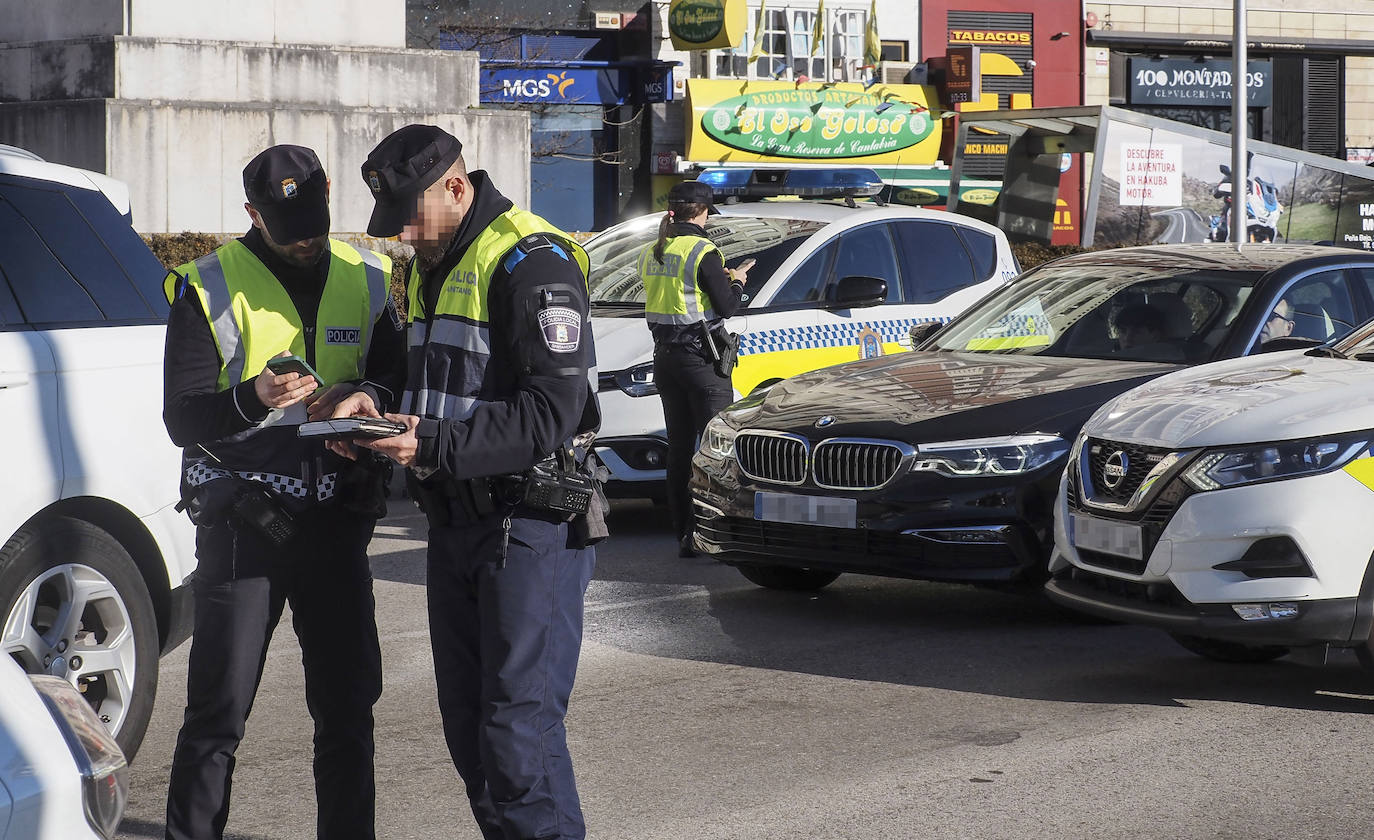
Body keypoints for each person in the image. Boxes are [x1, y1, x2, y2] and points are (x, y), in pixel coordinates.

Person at [329, 124, 604, 840]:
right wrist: (373, 396)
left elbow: (552, 410)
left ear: (456, 186)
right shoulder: (436, 258)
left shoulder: (531, 261)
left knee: (519, 740)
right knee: (472, 736)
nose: (403, 239)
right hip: (454, 521)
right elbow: (433, 374)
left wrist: (434, 442)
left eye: (410, 220)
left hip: (528, 526)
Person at [161, 144, 404, 840]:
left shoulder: (371, 274)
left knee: (348, 711)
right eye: (282, 222)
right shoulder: (208, 285)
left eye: (313, 217)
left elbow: (394, 376)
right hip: (245, 522)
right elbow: (183, 419)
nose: (302, 236)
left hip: (337, 516)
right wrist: (253, 396)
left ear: (330, 193)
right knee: (218, 713)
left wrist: (363, 396)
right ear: (249, 214)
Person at [638, 180, 748, 557]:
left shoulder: (655, 249)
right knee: (716, 450)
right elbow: (728, 306)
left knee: (680, 449)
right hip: (702, 362)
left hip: (665, 360)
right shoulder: (703, 250)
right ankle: (711, 533)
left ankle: (684, 535)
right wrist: (737, 281)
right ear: (702, 212)